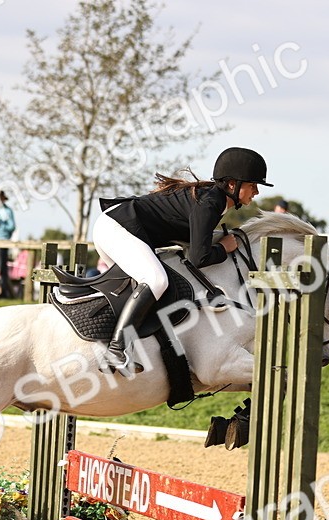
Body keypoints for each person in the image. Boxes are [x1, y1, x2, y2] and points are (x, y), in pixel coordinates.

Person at [93, 146, 270, 372]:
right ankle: (116, 350)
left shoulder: (212, 199)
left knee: (144, 290)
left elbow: (194, 241)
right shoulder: (210, 203)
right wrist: (224, 248)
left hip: (116, 226)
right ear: (233, 184)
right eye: (252, 185)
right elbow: (198, 257)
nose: (256, 192)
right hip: (118, 227)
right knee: (156, 280)